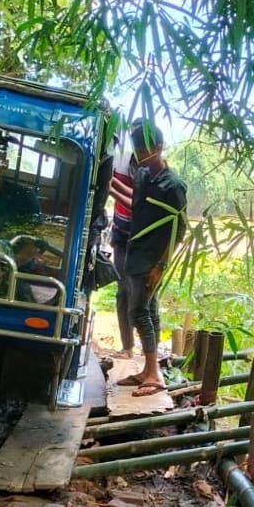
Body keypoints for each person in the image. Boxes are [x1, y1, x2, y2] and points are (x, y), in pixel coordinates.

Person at [116, 121, 188, 397]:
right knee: (150, 311)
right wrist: (110, 184)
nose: (140, 152)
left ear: (159, 146)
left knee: (138, 312)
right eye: (137, 147)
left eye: (145, 146)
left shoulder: (173, 185)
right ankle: (148, 370)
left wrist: (161, 266)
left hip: (151, 259)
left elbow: (178, 231)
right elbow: (136, 205)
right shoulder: (144, 176)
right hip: (136, 254)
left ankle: (153, 374)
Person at [108, 139, 137, 357]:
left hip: (140, 238)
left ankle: (146, 348)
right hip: (120, 233)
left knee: (140, 292)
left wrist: (109, 186)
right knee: (122, 292)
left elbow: (138, 202)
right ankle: (127, 347)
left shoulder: (151, 170)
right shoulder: (119, 161)